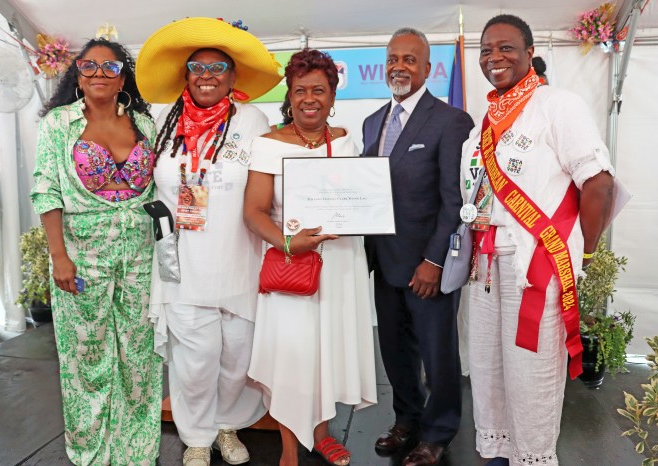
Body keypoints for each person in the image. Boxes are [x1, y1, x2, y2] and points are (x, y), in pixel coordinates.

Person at [461, 15, 614, 466]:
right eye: (486, 50)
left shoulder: (557, 105)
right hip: (486, 263)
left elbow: (598, 183)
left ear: (530, 53)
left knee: (532, 373)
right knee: (489, 371)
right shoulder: (486, 120)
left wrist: (583, 254)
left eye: (506, 47)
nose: (494, 57)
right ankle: (499, 451)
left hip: (535, 264)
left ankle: (533, 456)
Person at [135, 17, 282, 466]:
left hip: (239, 261)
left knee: (236, 358)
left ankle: (227, 426)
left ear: (234, 77)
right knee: (195, 362)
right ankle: (196, 435)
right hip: (181, 263)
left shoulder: (254, 120)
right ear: (185, 74)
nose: (206, 76)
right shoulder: (160, 119)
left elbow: (275, 184)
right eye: (197, 67)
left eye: (217, 68)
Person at [31, 38, 162, 465]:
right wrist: (58, 256)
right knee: (86, 353)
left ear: (124, 76)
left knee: (139, 352)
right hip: (82, 252)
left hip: (141, 253)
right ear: (77, 75)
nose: (99, 74)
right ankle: (90, 450)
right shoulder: (57, 125)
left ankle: (136, 450)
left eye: (110, 66)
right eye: (90, 66)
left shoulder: (145, 123)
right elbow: (46, 189)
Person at [244, 48, 377, 466]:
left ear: (332, 95)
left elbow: (360, 197)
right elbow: (253, 212)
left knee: (328, 351)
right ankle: (288, 447)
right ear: (289, 94)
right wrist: (288, 242)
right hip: (293, 265)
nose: (309, 99)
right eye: (300, 90)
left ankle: (321, 435)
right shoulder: (267, 145)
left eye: (318, 90)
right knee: (294, 355)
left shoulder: (345, 140)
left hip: (339, 264)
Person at [362, 28, 474, 466]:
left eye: (410, 59)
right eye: (393, 58)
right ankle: (406, 419)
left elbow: (454, 200)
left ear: (428, 69)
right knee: (394, 349)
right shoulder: (374, 121)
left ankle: (439, 430)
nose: (399, 66)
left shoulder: (451, 121)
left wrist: (433, 260)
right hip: (384, 262)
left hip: (428, 265)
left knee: (437, 352)